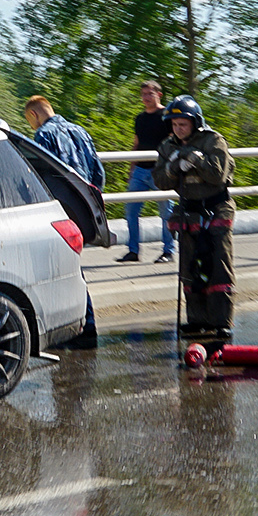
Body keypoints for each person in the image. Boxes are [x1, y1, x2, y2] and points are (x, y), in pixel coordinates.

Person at [153, 96, 235, 341]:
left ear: (195, 123)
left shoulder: (213, 141)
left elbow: (218, 176)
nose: (178, 129)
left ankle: (221, 322)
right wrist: (171, 167)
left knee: (218, 267)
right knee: (189, 269)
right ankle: (197, 320)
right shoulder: (167, 146)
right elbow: (159, 180)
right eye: (175, 125)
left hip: (215, 209)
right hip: (187, 211)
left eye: (183, 124)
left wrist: (197, 160)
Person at [24, 95, 103, 346]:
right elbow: (98, 174)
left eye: (30, 121)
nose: (32, 127)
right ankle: (86, 326)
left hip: (60, 210)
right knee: (73, 265)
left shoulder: (43, 136)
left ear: (34, 115)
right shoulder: (80, 131)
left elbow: (41, 176)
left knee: (63, 269)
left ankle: (79, 327)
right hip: (84, 210)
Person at [119, 80, 175, 264]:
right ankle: (133, 251)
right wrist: (132, 168)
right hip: (140, 171)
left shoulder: (167, 115)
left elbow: (174, 140)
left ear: (159, 94)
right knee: (131, 211)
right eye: (143, 94)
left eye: (150, 94)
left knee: (166, 212)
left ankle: (168, 251)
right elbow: (137, 143)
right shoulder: (140, 118)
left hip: (160, 170)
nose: (146, 97)